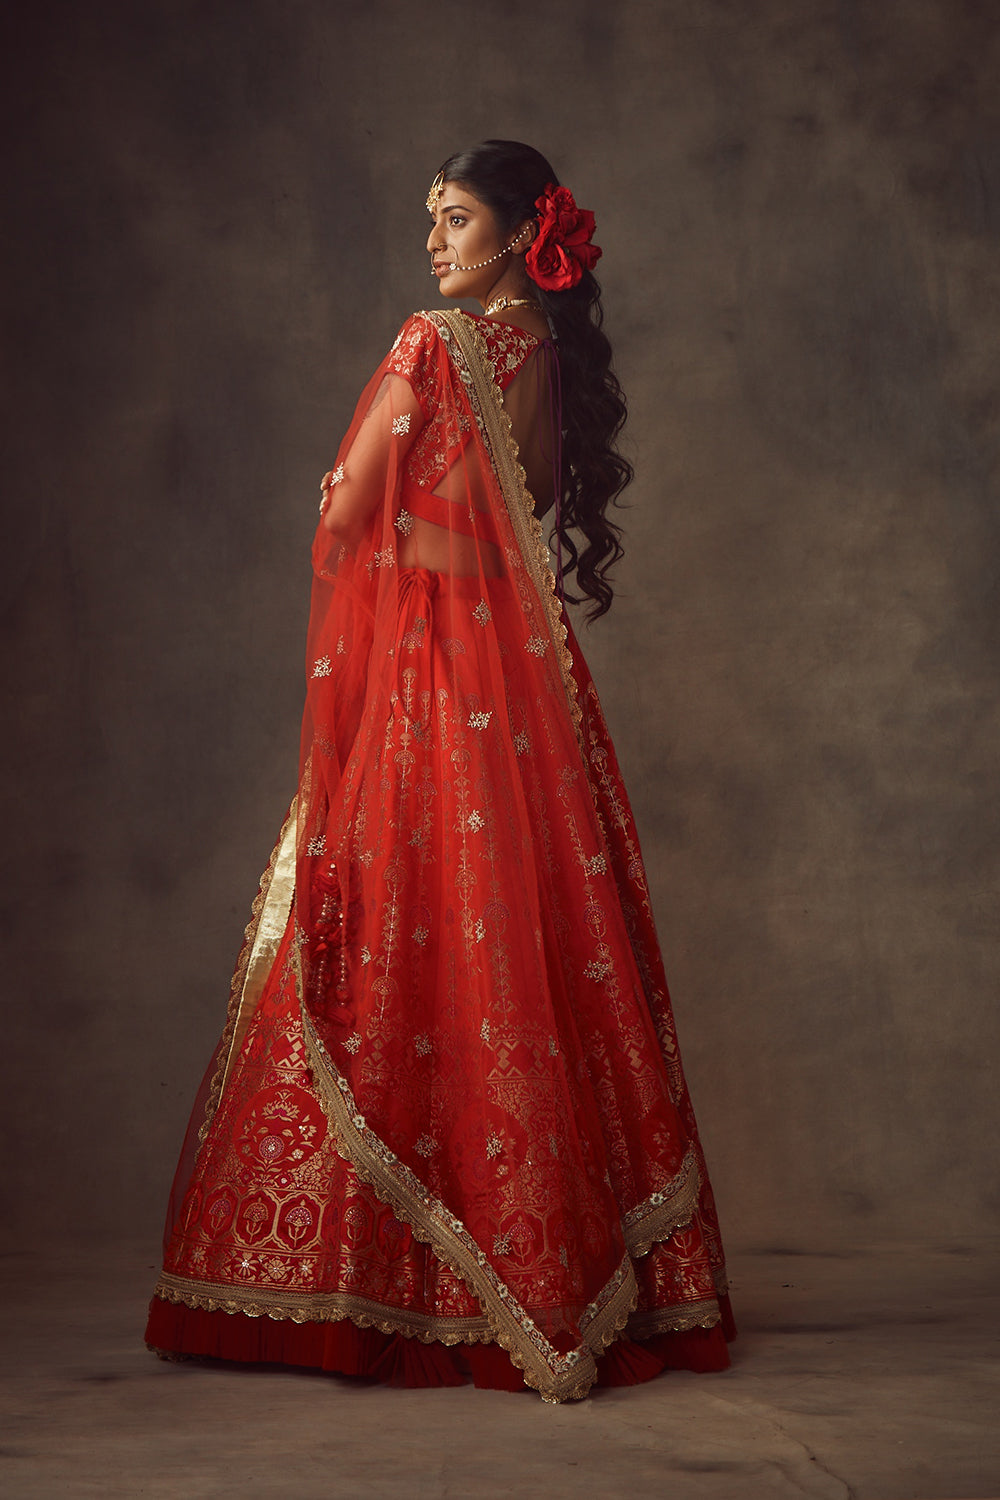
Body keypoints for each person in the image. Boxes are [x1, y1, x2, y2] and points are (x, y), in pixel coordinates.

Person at [144, 140, 735, 1404]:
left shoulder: (433, 345)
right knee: (523, 948)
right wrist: (422, 519)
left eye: (455, 218)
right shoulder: (550, 362)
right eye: (430, 219)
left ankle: (386, 1286)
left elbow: (350, 517)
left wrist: (354, 500)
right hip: (526, 693)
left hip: (431, 687)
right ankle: (564, 1262)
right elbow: (498, 530)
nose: (432, 241)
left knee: (395, 938)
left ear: (522, 234)